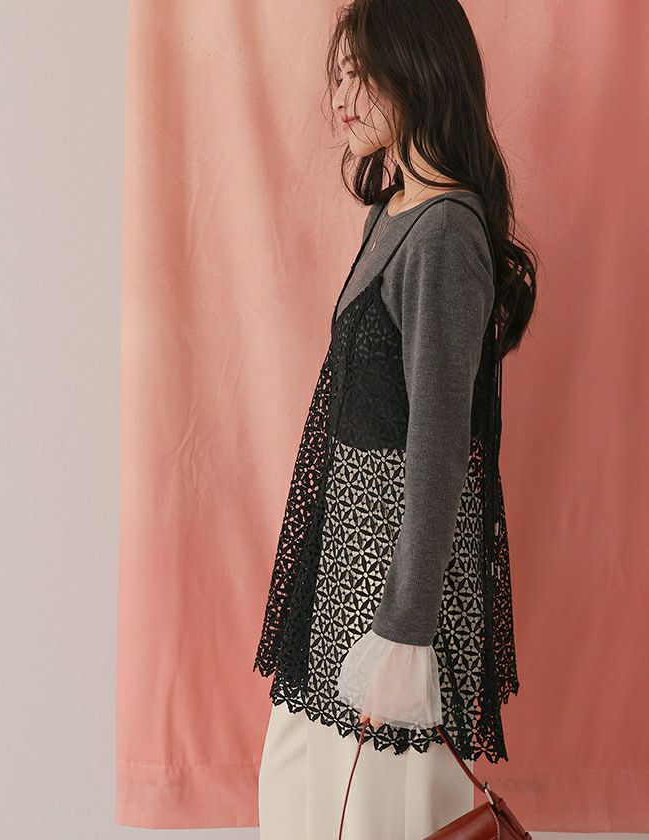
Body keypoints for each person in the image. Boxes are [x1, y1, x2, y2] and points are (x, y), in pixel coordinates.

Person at [253, 1, 538, 837]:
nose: (342, 96)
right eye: (338, 75)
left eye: (362, 73)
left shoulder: (445, 234)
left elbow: (440, 450)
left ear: (418, 70)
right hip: (342, 574)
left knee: (377, 816)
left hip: (392, 597)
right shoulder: (394, 214)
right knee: (301, 801)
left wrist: (404, 636)